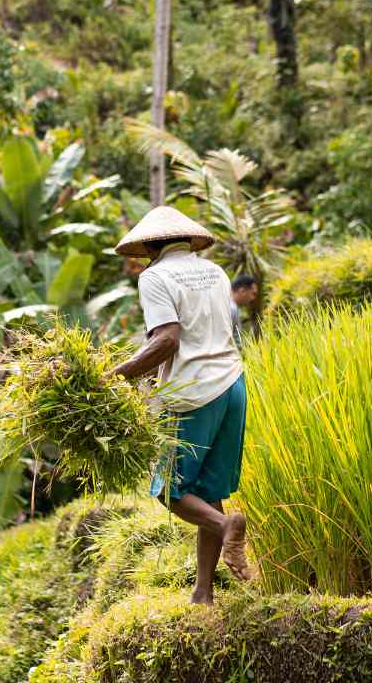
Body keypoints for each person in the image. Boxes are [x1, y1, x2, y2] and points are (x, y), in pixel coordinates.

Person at [112, 206, 253, 605]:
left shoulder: (154, 277)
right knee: (207, 490)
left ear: (150, 247)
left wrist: (116, 376)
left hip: (193, 394)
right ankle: (203, 594)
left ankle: (228, 526)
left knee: (169, 490)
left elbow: (168, 340)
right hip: (231, 386)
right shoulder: (215, 272)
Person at [230, 274, 258, 347]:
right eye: (253, 294)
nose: (253, 298)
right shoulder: (231, 309)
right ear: (242, 291)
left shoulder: (230, 306)